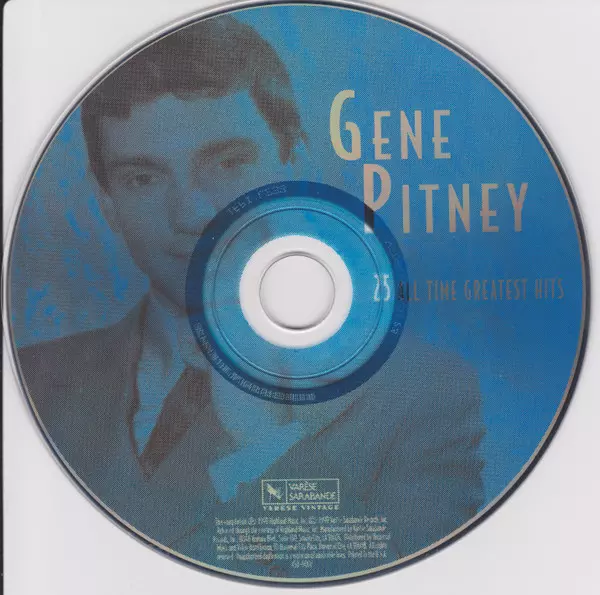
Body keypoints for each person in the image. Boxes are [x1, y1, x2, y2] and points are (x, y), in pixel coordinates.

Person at [17, 15, 484, 580]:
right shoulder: (32, 380)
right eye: (143, 178)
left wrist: (263, 442)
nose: (191, 213)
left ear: (294, 163)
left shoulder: (426, 395)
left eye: (229, 162)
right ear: (107, 203)